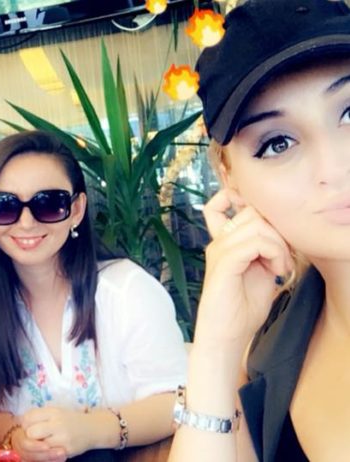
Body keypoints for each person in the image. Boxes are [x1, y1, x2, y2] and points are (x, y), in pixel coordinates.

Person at [168, 0, 350, 460]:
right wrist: (216, 348)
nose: (334, 168)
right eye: (278, 143)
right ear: (231, 182)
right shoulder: (271, 343)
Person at [0, 130, 187, 461]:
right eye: (4, 206)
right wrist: (15, 439)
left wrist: (92, 431)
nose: (26, 222)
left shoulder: (128, 290)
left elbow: (177, 402)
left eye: (48, 203)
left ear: (76, 210)